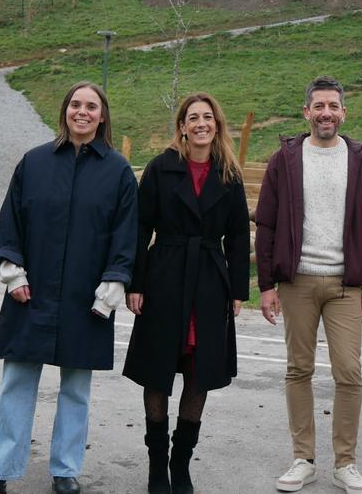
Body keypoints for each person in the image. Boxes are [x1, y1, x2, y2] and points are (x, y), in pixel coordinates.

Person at [0, 81, 138, 494]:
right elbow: (10, 223)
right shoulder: (33, 163)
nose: (82, 112)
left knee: (77, 389)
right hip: (31, 292)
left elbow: (126, 236)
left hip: (87, 298)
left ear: (102, 116)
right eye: (75, 104)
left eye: (91, 106)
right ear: (65, 110)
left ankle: (65, 469)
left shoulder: (118, 171)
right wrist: (13, 273)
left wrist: (114, 283)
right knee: (16, 382)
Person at [255, 75, 362, 494]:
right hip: (297, 282)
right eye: (319, 106)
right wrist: (267, 285)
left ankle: (345, 463)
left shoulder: (361, 161)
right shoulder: (285, 159)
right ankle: (303, 459)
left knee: (349, 372)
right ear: (306, 112)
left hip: (346, 284)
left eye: (333, 106)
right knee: (299, 369)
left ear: (343, 112)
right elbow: (267, 223)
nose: (325, 113)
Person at [122, 92, 250, 494]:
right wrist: (136, 283)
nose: (200, 124)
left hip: (210, 281)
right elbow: (140, 227)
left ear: (217, 125)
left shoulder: (228, 172)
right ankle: (156, 466)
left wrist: (237, 289)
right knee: (158, 371)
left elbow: (239, 235)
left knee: (199, 372)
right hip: (164, 275)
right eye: (193, 117)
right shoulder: (161, 168)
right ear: (182, 126)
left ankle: (180, 465)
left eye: (207, 117)